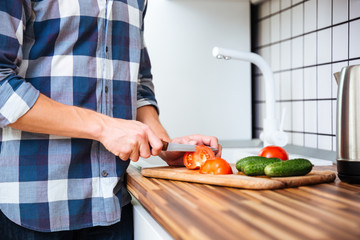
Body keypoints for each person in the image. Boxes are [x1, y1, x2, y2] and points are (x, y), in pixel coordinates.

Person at [0, 0, 221, 239]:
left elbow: (136, 85)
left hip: (115, 206)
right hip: (36, 209)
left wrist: (163, 144)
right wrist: (104, 128)